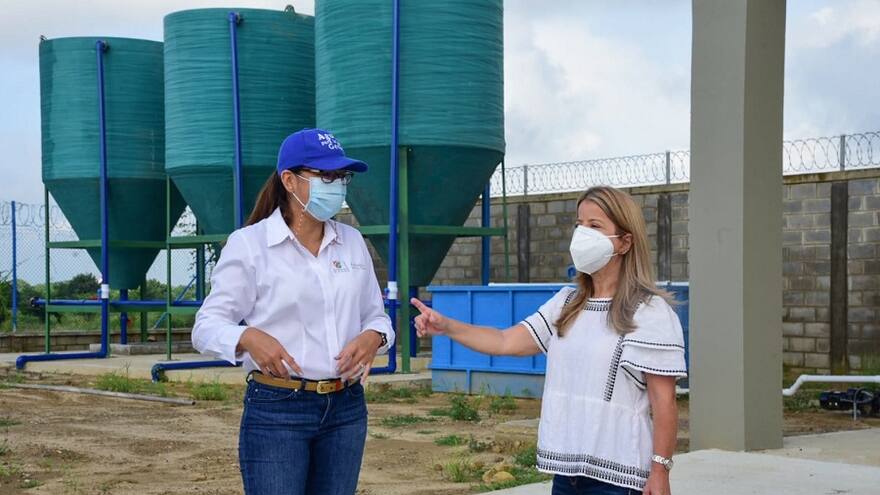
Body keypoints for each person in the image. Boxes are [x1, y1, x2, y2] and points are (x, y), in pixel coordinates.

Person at [412, 186, 686, 495]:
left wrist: (660, 470)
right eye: (579, 224)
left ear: (624, 242)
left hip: (617, 480)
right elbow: (505, 341)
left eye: (595, 226)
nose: (582, 234)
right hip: (566, 475)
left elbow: (665, 403)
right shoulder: (567, 303)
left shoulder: (650, 312)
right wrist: (447, 325)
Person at [191, 128, 395, 495]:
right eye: (326, 176)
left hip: (347, 408)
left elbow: (377, 316)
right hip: (278, 410)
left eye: (342, 177)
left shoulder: (351, 242)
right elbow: (205, 327)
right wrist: (247, 337)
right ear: (289, 180)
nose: (338, 186)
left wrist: (374, 337)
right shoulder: (250, 245)